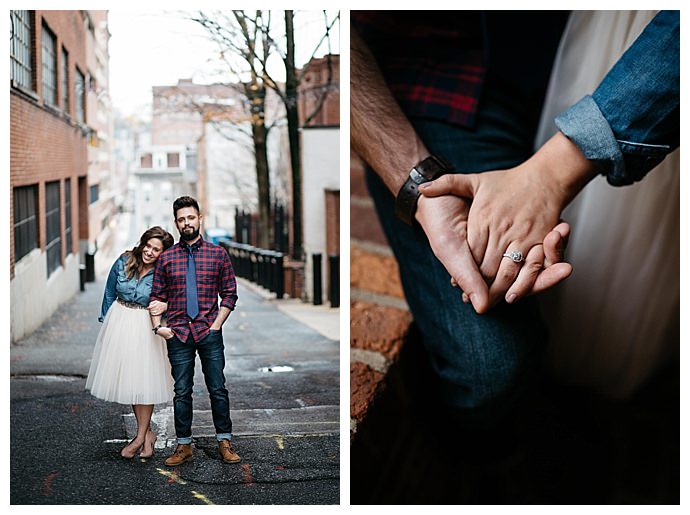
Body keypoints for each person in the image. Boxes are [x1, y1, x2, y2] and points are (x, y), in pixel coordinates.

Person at [148, 196, 241, 466]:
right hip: (178, 334)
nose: (186, 223)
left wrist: (216, 325)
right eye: (181, 219)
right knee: (182, 392)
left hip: (208, 332)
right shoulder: (166, 259)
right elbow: (155, 297)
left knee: (217, 389)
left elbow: (230, 294)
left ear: (200, 218)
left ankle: (224, 441)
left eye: (190, 217)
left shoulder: (217, 254)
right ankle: (183, 445)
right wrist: (159, 328)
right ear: (176, 223)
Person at [86, 226, 174, 461]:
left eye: (156, 250)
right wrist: (106, 326)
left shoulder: (163, 272)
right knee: (132, 381)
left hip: (146, 327)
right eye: (148, 245)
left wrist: (165, 309)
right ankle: (148, 435)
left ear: (162, 253)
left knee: (144, 382)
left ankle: (139, 437)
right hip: (120, 321)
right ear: (142, 242)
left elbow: (173, 299)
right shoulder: (124, 261)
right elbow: (108, 293)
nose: (150, 252)